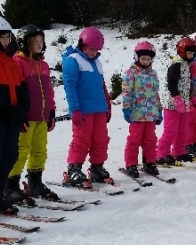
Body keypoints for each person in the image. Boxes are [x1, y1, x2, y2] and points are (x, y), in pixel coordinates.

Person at [4, 25, 57, 206]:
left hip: (42, 117)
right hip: (27, 117)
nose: (39, 45)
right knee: (21, 151)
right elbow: (18, 91)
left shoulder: (43, 65)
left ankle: (35, 181)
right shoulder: (19, 63)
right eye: (35, 41)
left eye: (41, 41)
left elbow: (49, 92)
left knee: (39, 150)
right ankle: (11, 184)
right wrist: (20, 114)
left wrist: (51, 111)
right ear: (26, 43)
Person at [62, 26, 112, 187]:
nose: (94, 53)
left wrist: (107, 106)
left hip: (99, 109)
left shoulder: (97, 62)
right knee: (81, 140)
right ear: (83, 45)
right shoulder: (73, 60)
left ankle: (97, 167)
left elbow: (102, 86)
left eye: (97, 50)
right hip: (83, 110)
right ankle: (73, 169)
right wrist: (74, 109)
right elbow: (70, 86)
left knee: (101, 140)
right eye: (91, 49)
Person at [0, 17, 29, 214]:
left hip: (12, 120)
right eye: (1, 38)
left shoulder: (12, 63)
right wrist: (10, 112)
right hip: (2, 118)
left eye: (7, 37)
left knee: (10, 156)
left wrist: (21, 113)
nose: (5, 41)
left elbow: (23, 91)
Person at [156, 37, 196, 164]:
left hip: (184, 104)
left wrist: (193, 98)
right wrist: (177, 98)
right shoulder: (176, 65)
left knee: (183, 130)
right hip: (172, 104)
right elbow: (172, 84)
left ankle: (179, 151)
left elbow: (188, 84)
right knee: (171, 131)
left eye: (192, 53)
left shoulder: (188, 65)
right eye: (189, 53)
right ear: (182, 51)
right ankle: (161, 153)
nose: (191, 55)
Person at [122, 41, 162, 178]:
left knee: (150, 140)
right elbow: (127, 92)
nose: (145, 61)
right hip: (137, 114)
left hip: (151, 114)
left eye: (148, 59)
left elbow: (156, 93)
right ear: (137, 58)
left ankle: (149, 162)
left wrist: (159, 110)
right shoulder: (131, 73)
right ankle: (131, 164)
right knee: (134, 140)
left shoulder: (153, 74)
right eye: (143, 58)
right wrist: (126, 108)